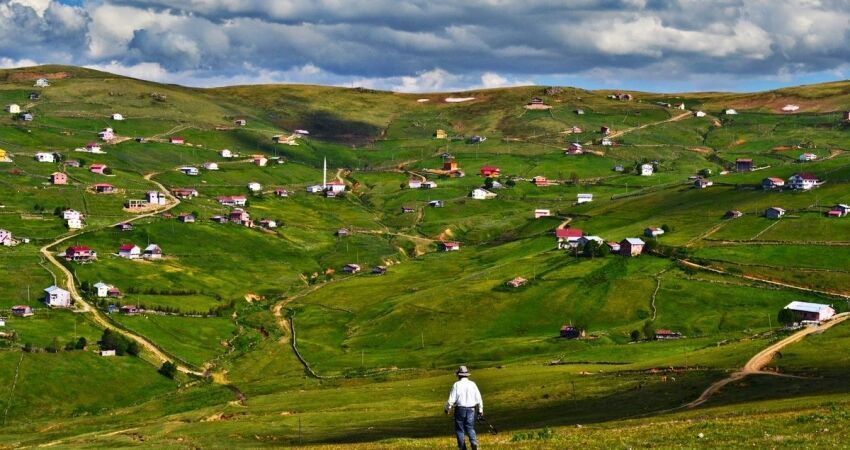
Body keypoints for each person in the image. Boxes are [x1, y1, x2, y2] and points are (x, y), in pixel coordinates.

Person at [445, 365, 483, 450]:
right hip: (471, 409)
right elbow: (479, 398)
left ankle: (462, 448)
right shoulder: (473, 384)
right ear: (467, 375)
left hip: (460, 409)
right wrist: (480, 410)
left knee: (459, 429)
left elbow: (451, 399)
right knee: (470, 427)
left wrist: (447, 409)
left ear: (459, 375)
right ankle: (474, 442)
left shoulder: (456, 385)